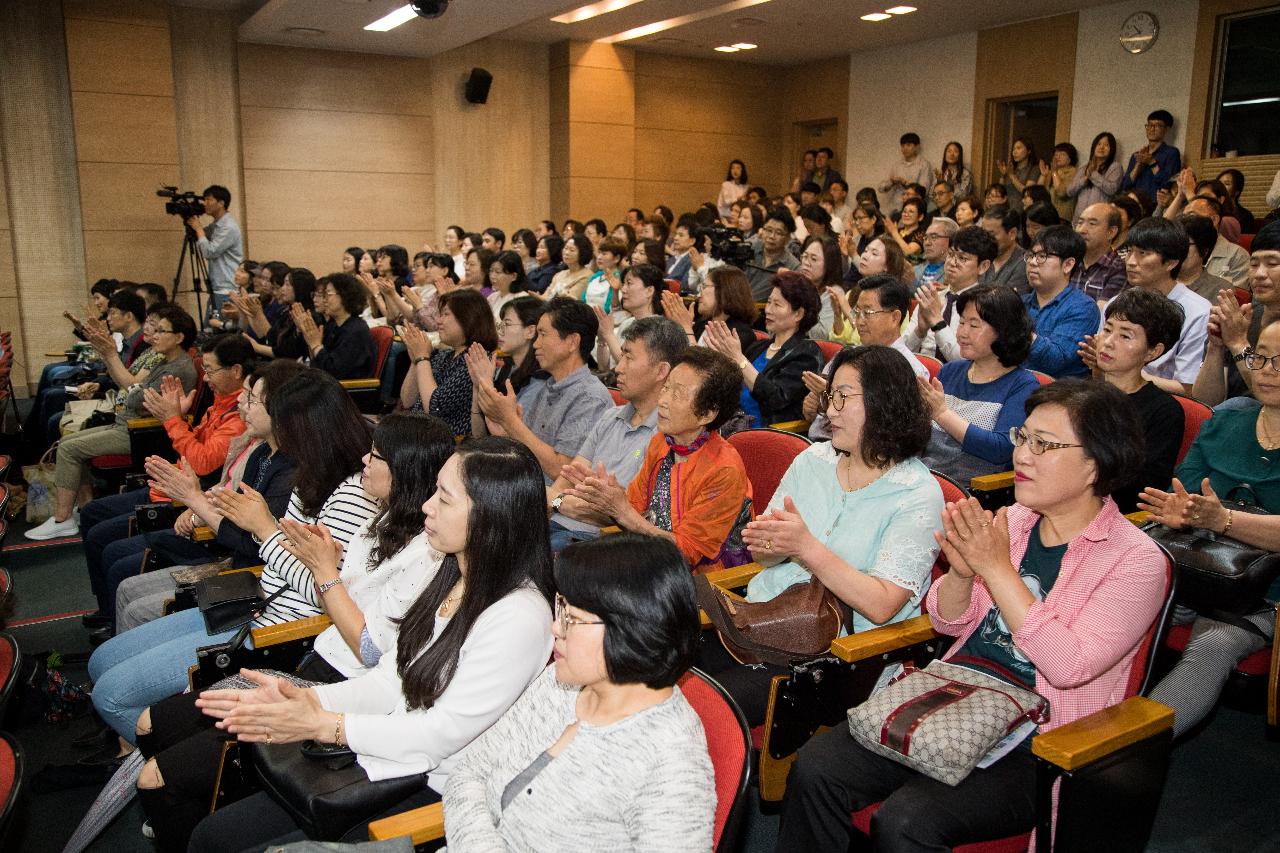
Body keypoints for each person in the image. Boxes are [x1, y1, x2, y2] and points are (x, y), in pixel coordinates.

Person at [776, 379, 1167, 852]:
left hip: (1035, 737)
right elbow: (946, 621)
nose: (1021, 455)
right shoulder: (1017, 521)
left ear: (1095, 464)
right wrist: (961, 575)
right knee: (816, 766)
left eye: (1044, 445)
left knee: (906, 822)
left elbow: (1068, 667)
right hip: (956, 695)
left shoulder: (1136, 561)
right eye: (1023, 437)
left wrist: (996, 569)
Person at [186, 437, 555, 852]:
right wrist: (311, 702)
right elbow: (390, 679)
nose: (426, 507)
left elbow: (439, 734)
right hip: (383, 752)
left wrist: (325, 725)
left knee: (217, 841)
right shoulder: (450, 571)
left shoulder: (518, 616)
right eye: (434, 491)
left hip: (432, 789)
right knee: (213, 836)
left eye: (444, 499)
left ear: (492, 516)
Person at [130, 413, 455, 852]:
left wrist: (324, 572)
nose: (364, 459)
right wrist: (323, 566)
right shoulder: (377, 519)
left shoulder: (428, 554)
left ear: (405, 470)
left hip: (341, 684)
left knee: (158, 778)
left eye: (376, 456)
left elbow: (370, 650)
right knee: (152, 725)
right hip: (314, 661)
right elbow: (338, 598)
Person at [88, 368, 376, 742]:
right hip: (251, 603)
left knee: (111, 695)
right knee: (101, 662)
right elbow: (283, 557)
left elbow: (325, 594)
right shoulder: (309, 476)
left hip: (277, 630)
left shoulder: (352, 494)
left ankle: (159, 765)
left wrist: (264, 530)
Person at [700, 345, 943, 724]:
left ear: (885, 402)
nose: (829, 411)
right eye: (831, 397)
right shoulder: (813, 460)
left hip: (838, 654)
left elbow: (881, 606)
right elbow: (765, 558)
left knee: (706, 701)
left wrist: (806, 547)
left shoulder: (917, 494)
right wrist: (768, 542)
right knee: (661, 665)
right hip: (760, 617)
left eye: (843, 397)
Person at [441, 532, 713, 849]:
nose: (556, 627)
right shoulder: (560, 682)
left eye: (572, 617)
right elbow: (468, 772)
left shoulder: (671, 761)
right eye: (562, 607)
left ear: (630, 631)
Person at [1140, 320, 1280, 737]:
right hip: (1196, 567)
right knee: (1116, 595)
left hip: (1265, 595)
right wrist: (1180, 510)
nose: (1267, 370)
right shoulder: (1225, 423)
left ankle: (1130, 747)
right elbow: (1177, 494)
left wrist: (1225, 520)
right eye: (1260, 358)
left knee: (1213, 645)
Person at [77, 333, 256, 630]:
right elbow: (193, 452)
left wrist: (172, 420)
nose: (206, 378)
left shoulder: (238, 416)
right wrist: (180, 420)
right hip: (178, 493)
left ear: (236, 371)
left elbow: (202, 462)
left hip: (186, 507)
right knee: (93, 517)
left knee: (110, 550)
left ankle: (111, 618)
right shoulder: (219, 403)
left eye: (210, 370)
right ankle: (109, 613)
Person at [563, 347, 752, 572]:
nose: (662, 400)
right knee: (569, 563)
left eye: (677, 394)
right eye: (666, 388)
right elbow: (635, 508)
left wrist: (622, 511)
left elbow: (687, 552)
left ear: (707, 414)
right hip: (649, 557)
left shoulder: (724, 469)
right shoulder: (662, 442)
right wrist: (605, 496)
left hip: (696, 579)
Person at [26, 304, 198, 541]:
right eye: (154, 329)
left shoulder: (179, 368)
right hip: (127, 422)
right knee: (67, 440)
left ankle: (61, 518)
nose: (155, 335)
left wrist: (126, 377)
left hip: (141, 432)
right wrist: (133, 386)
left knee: (68, 448)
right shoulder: (164, 359)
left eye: (161, 331)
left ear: (179, 337)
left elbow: (137, 398)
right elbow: (134, 390)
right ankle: (83, 509)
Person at [547, 317, 683, 553]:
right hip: (555, 525)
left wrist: (558, 502)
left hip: (599, 543)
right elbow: (565, 480)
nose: (618, 367)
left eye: (629, 358)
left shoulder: (669, 435)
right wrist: (559, 502)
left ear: (662, 371)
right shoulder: (611, 416)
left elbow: (619, 513)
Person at [472, 297, 615, 482]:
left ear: (572, 342)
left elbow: (563, 470)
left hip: (555, 503)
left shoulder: (590, 398)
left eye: (543, 334)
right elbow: (528, 448)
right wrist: (505, 433)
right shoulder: (549, 387)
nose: (536, 344)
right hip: (525, 486)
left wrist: (510, 422)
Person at [920, 284, 1040, 483]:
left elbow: (1001, 449)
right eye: (962, 323)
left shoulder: (1023, 385)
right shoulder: (950, 371)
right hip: (923, 478)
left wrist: (942, 414)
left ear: (1004, 331)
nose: (962, 333)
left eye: (974, 325)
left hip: (970, 490)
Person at [1094, 288, 1185, 512]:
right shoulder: (1078, 395)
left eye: (1125, 336)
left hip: (1115, 515)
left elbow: (1143, 488)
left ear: (1153, 351)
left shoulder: (1164, 411)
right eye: (1107, 330)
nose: (1108, 342)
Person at [1105, 217, 1208, 396]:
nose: (1130, 261)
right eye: (1129, 251)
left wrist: (1130, 376)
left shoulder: (1198, 312)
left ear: (1171, 262)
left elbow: (1187, 388)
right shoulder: (1117, 302)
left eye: (1143, 253)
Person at [705, 271, 823, 427]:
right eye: (769, 302)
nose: (768, 310)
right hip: (732, 424)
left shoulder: (806, 354)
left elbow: (775, 399)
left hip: (767, 433)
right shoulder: (759, 347)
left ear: (798, 314)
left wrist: (739, 359)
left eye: (777, 304)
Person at [1192, 220, 1280, 406]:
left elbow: (1272, 398)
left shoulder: (1237, 331)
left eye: (1272, 263)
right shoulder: (1242, 317)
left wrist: (1238, 343)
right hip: (1235, 420)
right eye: (1254, 264)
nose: (1259, 274)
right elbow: (1204, 401)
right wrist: (1215, 348)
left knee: (1239, 404)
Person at [400, 289, 497, 436]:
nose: (438, 321)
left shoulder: (477, 359)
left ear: (468, 318)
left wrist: (422, 358)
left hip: (445, 444)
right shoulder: (443, 355)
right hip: (417, 435)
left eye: (446, 314)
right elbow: (407, 400)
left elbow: (435, 408)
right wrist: (415, 361)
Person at [905, 226, 998, 362]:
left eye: (963, 258)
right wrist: (919, 331)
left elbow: (965, 362)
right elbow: (903, 352)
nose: (952, 263)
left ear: (983, 266)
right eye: (951, 254)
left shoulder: (985, 307)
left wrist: (937, 322)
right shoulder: (932, 298)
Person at [1022, 225, 1100, 378]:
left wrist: (1013, 328)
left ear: (1068, 265)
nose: (1032, 262)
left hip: (1059, 394)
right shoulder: (1020, 302)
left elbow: (1056, 359)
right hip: (1015, 385)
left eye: (1042, 256)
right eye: (1030, 255)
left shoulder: (1082, 307)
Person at [662, 264, 757, 352]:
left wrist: (687, 328)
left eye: (704, 286)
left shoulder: (740, 334)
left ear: (724, 291)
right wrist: (677, 327)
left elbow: (701, 367)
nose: (699, 294)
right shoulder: (701, 324)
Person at [300, 273, 376, 380]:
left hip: (346, 392)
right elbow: (317, 365)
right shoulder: (333, 326)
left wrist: (316, 346)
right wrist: (309, 338)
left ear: (345, 296)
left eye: (328, 294)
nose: (324, 300)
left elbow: (334, 372)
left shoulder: (356, 331)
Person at [235, 267, 320, 361]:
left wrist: (257, 347)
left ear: (300, 287)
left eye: (287, 285)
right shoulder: (286, 312)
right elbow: (270, 338)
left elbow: (288, 353)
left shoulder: (309, 316)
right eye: (283, 284)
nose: (282, 289)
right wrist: (253, 313)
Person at [594, 263, 666, 369]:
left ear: (649, 291)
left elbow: (629, 366)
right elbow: (604, 368)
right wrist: (602, 340)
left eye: (629, 283)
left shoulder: (659, 327)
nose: (623, 289)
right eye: (623, 284)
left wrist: (609, 334)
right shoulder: (628, 323)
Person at [184, 184, 243, 312]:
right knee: (211, 326)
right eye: (204, 199)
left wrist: (198, 228)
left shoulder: (228, 227)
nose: (205, 204)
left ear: (221, 203)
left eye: (209, 200)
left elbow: (209, 252)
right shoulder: (217, 225)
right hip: (218, 289)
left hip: (226, 290)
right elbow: (199, 237)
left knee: (217, 327)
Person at [1069, 202, 1128, 302]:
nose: (1082, 230)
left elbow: (1103, 314)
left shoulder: (1118, 269)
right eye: (1080, 223)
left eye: (1092, 224)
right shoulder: (1068, 260)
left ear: (1111, 232)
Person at [1121, 109, 1182, 199]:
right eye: (1149, 125)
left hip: (1156, 204)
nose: (1152, 129)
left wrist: (1152, 162)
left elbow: (1167, 184)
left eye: (1157, 125)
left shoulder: (1171, 153)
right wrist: (1138, 165)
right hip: (1134, 204)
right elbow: (1125, 186)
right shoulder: (1137, 155)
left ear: (1166, 129)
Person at [491, 296, 545, 395]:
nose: (500, 331)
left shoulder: (538, 379)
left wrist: (485, 380)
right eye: (500, 325)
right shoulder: (507, 365)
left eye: (507, 324)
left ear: (530, 331)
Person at [797, 235, 845, 341]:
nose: (806, 263)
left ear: (829, 264)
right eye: (804, 257)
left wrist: (801, 310)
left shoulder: (833, 293)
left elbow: (823, 336)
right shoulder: (797, 285)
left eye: (813, 259)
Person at [747, 209, 802, 300]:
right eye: (768, 230)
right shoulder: (748, 249)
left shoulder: (792, 267)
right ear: (762, 230)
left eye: (778, 233)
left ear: (788, 238)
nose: (772, 236)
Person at [1178, 213, 1234, 301]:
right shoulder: (1159, 281)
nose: (1177, 249)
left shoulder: (1221, 289)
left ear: (1204, 250)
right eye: (1174, 243)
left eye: (1185, 244)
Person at [1066, 131, 1123, 218]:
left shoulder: (1115, 167)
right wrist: (1083, 181)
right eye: (1099, 144)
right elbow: (1069, 191)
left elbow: (1112, 189)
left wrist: (1093, 174)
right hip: (1079, 218)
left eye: (1106, 145)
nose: (1102, 147)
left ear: (1112, 149)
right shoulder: (1084, 168)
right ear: (1094, 147)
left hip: (1100, 218)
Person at [979, 205, 1029, 294]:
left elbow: (1006, 303)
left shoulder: (1024, 263)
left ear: (1012, 233)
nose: (984, 239)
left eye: (991, 235)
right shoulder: (981, 255)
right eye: (983, 233)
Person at [880, 133, 934, 214]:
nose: (905, 148)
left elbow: (923, 191)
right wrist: (892, 182)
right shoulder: (896, 165)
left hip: (914, 208)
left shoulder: (924, 164)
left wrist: (905, 183)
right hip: (896, 208)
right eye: (902, 146)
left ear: (917, 146)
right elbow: (881, 189)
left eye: (908, 145)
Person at [543, 234, 593, 301]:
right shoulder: (559, 274)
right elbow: (545, 297)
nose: (566, 252)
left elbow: (571, 300)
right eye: (565, 248)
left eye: (572, 250)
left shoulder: (587, 275)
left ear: (582, 253)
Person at [997, 137, 1038, 212]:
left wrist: (1012, 176)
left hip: (1023, 212)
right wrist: (1003, 175)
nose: (1014, 152)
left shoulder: (1034, 169)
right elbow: (1000, 192)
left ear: (1029, 151)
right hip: (1007, 211)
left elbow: (1027, 192)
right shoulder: (1011, 170)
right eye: (1013, 149)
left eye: (1018, 148)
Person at [487, 250, 530, 320]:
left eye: (497, 272)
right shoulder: (492, 297)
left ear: (513, 276)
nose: (492, 276)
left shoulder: (522, 300)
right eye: (491, 271)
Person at [1041, 142, 1079, 221]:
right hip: (1049, 215)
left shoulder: (1073, 172)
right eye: (1056, 155)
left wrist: (1054, 172)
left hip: (1063, 217)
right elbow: (1041, 193)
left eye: (1062, 154)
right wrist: (1044, 175)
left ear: (1070, 158)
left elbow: (1061, 192)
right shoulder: (1052, 172)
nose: (1057, 157)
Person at [1217, 168, 1255, 233]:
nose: (1221, 186)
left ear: (1237, 191)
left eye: (1227, 184)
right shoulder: (1213, 210)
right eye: (1219, 183)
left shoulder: (1246, 216)